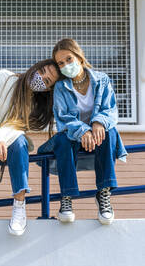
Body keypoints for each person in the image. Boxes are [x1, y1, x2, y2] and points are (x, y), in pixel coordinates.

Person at [0, 59, 59, 236]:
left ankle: (20, 205)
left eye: (46, 81)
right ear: (37, 66)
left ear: (47, 89)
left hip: (8, 145)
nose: (41, 77)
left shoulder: (35, 104)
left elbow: (16, 128)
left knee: (21, 142)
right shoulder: (3, 77)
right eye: (42, 70)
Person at [50, 38, 127, 225]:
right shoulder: (61, 87)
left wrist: (98, 122)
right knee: (61, 139)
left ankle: (104, 192)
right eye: (61, 63)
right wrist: (83, 130)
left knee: (110, 131)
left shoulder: (102, 80)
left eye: (69, 59)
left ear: (79, 56)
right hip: (74, 136)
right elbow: (63, 117)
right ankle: (66, 197)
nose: (66, 65)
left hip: (99, 137)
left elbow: (110, 110)